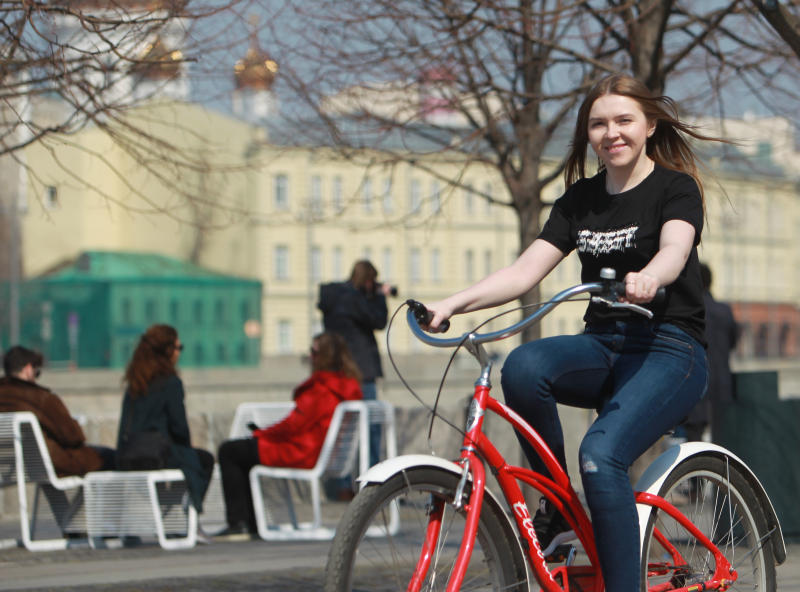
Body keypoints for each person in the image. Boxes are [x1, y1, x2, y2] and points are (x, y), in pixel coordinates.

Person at [423, 74, 723, 592]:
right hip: (603, 346)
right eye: (599, 124)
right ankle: (558, 506)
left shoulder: (674, 188)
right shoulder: (578, 200)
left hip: (669, 349)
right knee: (522, 367)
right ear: (589, 134)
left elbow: (676, 248)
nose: (612, 133)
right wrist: (451, 303)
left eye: (624, 120)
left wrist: (653, 274)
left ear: (649, 125)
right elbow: (523, 272)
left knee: (601, 455)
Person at [215, 332, 363, 538]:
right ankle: (248, 523)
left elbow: (293, 425)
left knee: (230, 451)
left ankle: (240, 523)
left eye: (313, 351)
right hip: (319, 451)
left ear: (324, 356)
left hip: (303, 452)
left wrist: (260, 433)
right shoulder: (347, 386)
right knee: (242, 451)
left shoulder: (322, 388)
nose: (310, 356)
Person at [116, 324, 214, 542]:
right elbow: (179, 428)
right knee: (203, 460)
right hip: (157, 456)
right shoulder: (171, 383)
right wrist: (186, 448)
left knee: (186, 461)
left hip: (129, 456)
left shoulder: (135, 381)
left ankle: (169, 519)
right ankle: (192, 522)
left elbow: (124, 426)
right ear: (168, 351)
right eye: (179, 347)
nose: (180, 352)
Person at [318, 260, 391, 468]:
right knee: (371, 425)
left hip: (337, 369)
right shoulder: (355, 299)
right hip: (362, 370)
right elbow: (379, 321)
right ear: (368, 280)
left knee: (343, 427)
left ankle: (340, 484)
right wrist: (379, 296)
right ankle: (373, 477)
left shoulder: (333, 297)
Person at [0, 345, 115, 476]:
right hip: (53, 465)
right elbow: (74, 437)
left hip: (12, 468)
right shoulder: (39, 398)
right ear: (28, 369)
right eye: (36, 372)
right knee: (110, 457)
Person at [684, 262, 739, 443]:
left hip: (696, 382)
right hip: (722, 382)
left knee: (694, 442)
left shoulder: (687, 311)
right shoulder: (724, 311)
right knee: (723, 439)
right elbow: (733, 341)